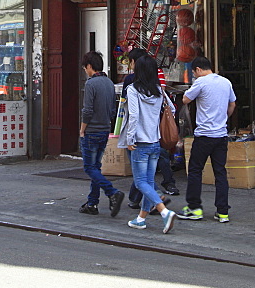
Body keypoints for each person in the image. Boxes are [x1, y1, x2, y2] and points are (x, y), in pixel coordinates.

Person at [119, 55, 177, 234]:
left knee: (140, 182)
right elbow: (172, 109)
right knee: (149, 182)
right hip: (154, 141)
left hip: (140, 143)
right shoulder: (159, 90)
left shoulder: (133, 90)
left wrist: (129, 139)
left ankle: (164, 211)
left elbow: (134, 116)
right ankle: (140, 219)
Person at [177, 55, 236, 223]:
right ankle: (223, 212)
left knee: (195, 170)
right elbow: (232, 104)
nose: (195, 76)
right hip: (221, 135)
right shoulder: (226, 82)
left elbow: (185, 99)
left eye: (194, 73)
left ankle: (194, 208)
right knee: (220, 172)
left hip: (204, 135)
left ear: (198, 69)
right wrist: (223, 117)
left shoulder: (201, 82)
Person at [78, 51, 125, 217]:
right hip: (105, 129)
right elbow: (113, 109)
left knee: (90, 167)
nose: (85, 71)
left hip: (91, 131)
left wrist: (82, 129)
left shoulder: (91, 84)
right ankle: (92, 202)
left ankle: (112, 192)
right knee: (96, 167)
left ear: (90, 67)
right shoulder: (109, 83)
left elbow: (87, 110)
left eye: (85, 68)